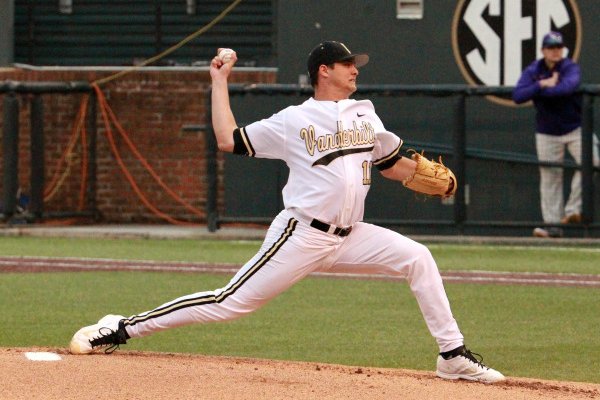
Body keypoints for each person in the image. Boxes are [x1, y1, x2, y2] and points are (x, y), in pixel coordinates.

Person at [69, 41, 505, 383]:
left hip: (351, 234)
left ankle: (452, 356)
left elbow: (392, 165)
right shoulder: (295, 119)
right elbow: (229, 139)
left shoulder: (366, 116)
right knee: (229, 303)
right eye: (347, 63)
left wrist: (426, 176)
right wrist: (219, 82)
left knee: (417, 257)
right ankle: (121, 326)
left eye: (356, 63)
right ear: (324, 71)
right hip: (302, 235)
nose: (355, 69)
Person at [512, 31, 600, 238]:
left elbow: (567, 89)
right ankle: (553, 227)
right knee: (550, 177)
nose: (555, 52)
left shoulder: (569, 66)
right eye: (551, 48)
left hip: (575, 127)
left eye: (558, 48)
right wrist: (542, 84)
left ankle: (572, 211)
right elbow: (517, 95)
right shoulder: (535, 69)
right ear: (543, 50)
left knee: (593, 162)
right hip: (547, 132)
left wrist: (539, 91)